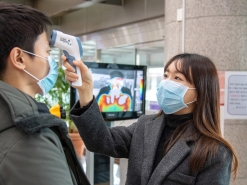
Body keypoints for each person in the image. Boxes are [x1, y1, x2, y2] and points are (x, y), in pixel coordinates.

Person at [64, 53, 238, 185]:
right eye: (166, 75)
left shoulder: (215, 152)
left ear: (200, 93)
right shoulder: (145, 125)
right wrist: (85, 90)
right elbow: (100, 141)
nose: (166, 82)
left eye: (177, 78)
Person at [0, 3, 89, 185]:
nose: (51, 61)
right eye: (47, 52)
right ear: (19, 58)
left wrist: (85, 93)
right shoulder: (30, 140)